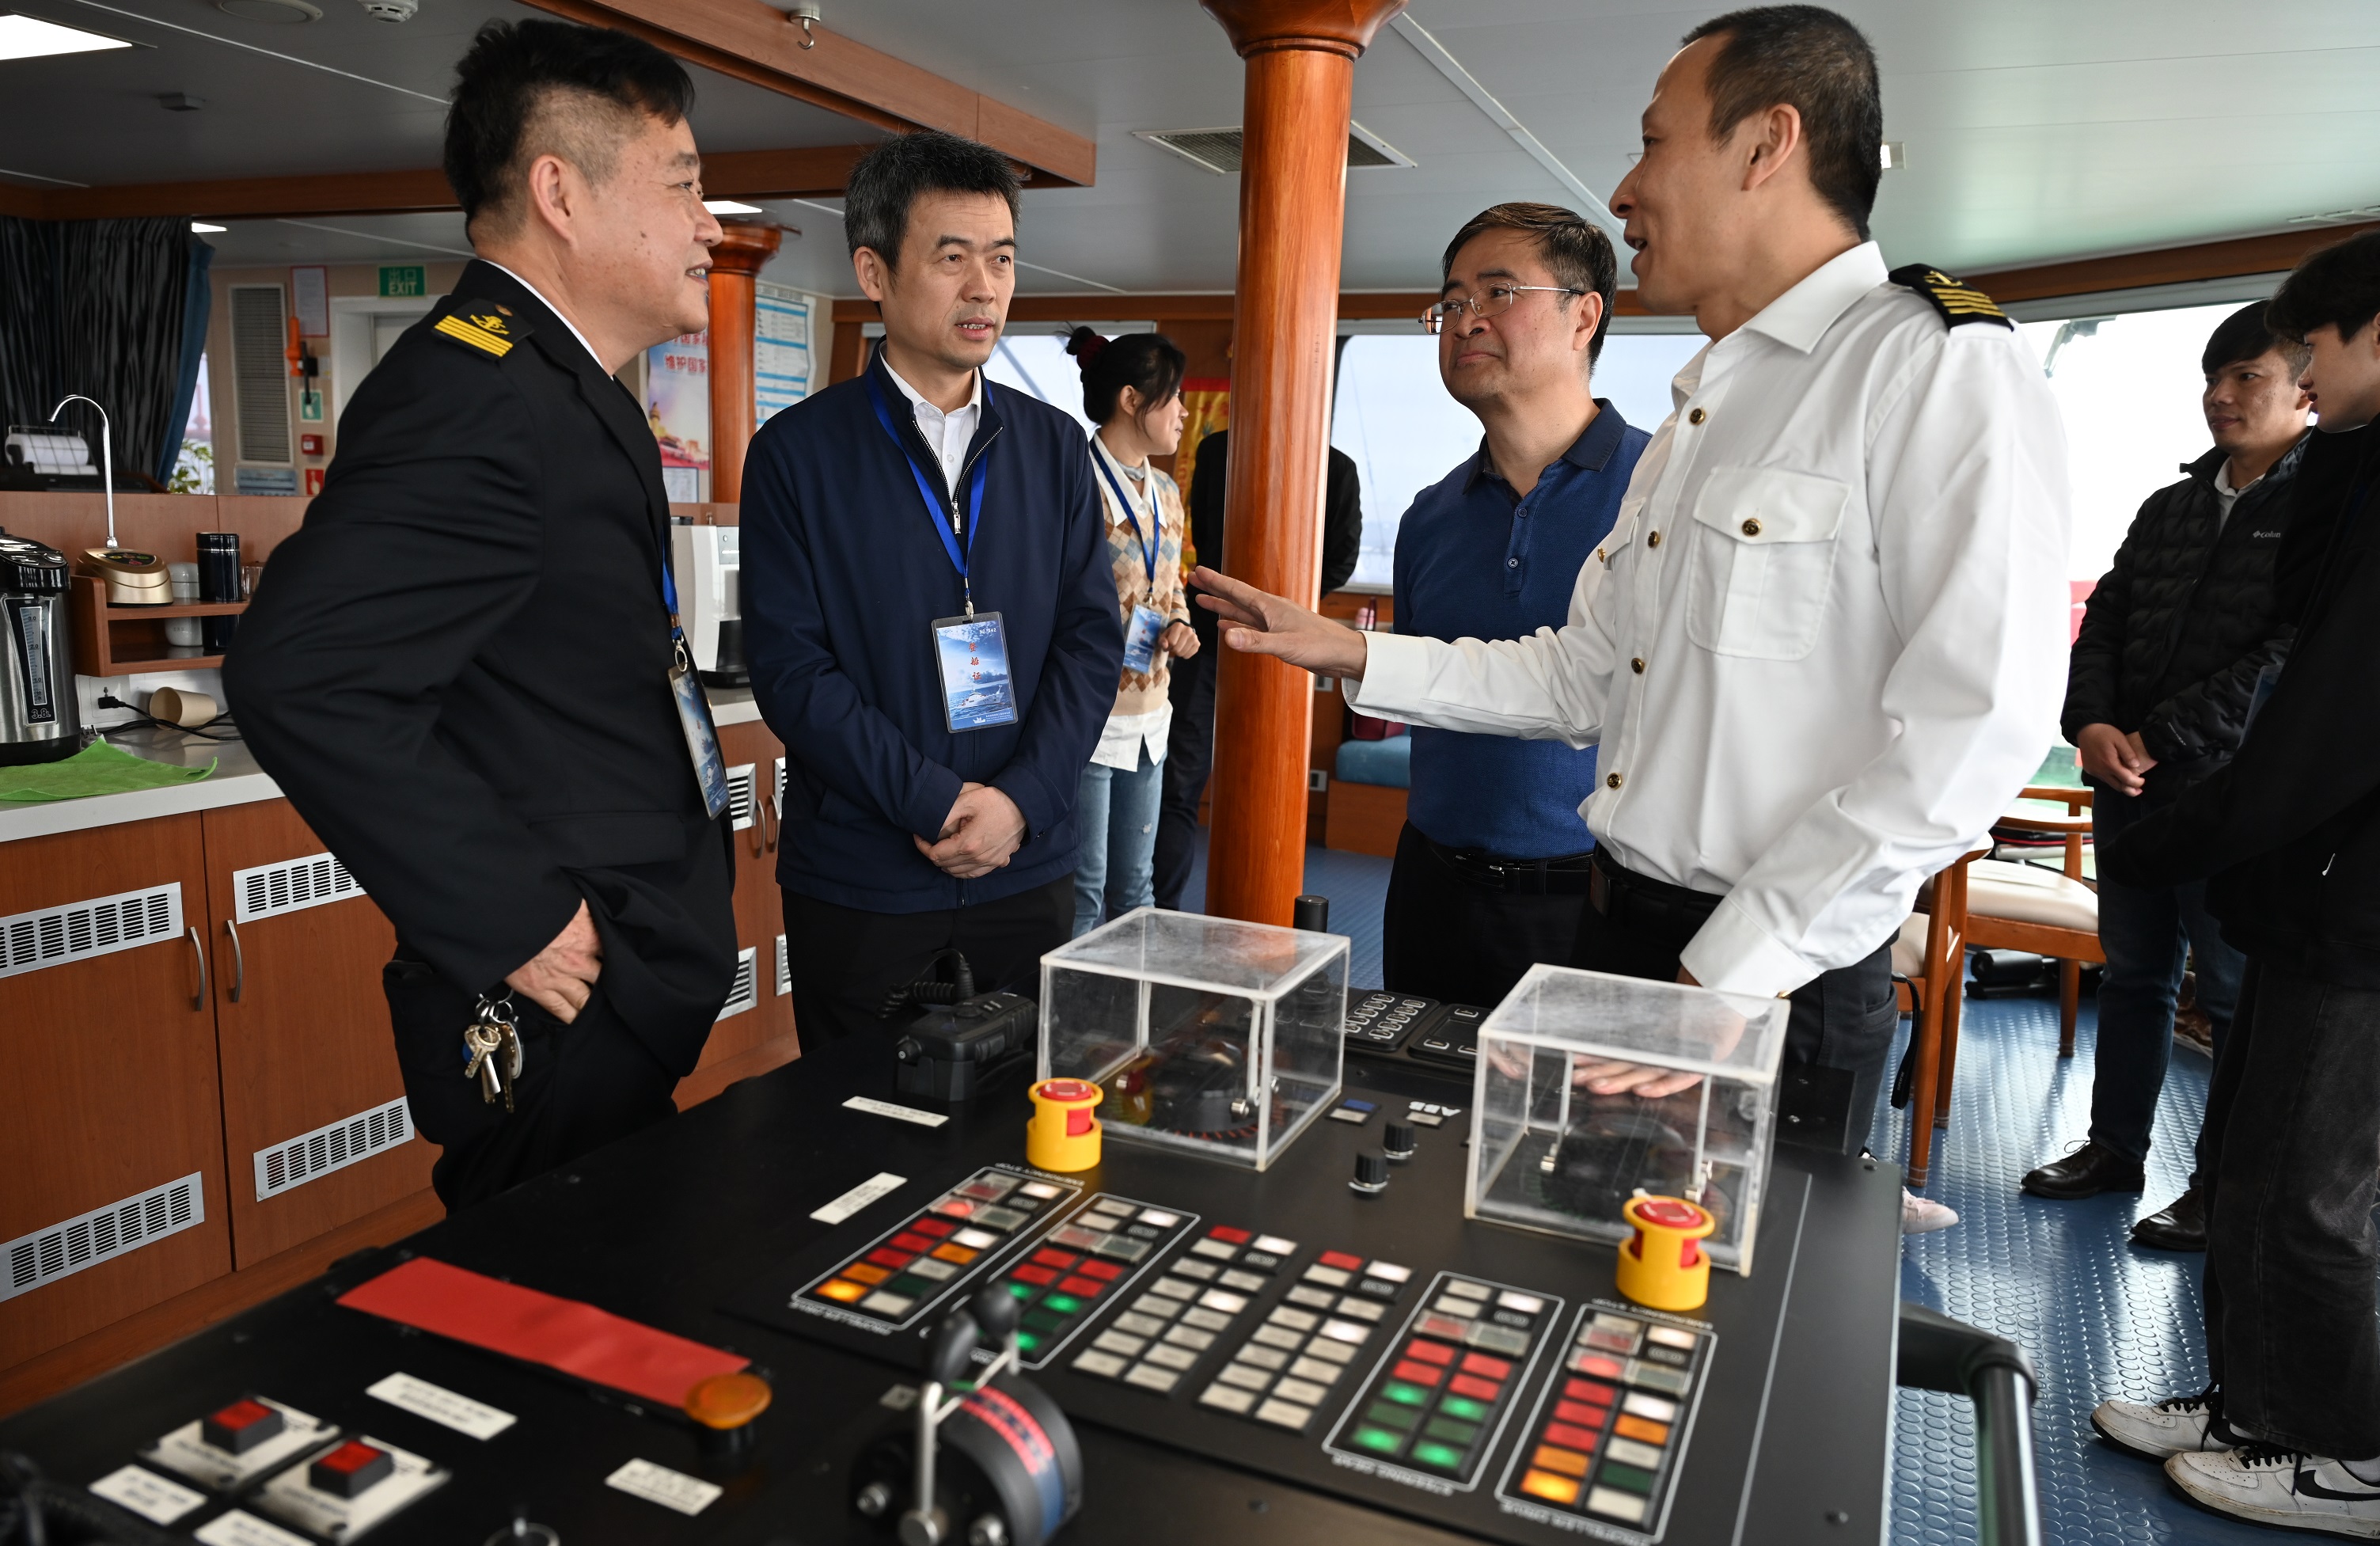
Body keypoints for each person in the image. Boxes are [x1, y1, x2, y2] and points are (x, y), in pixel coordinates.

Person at [1190, 4, 2070, 1236]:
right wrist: (1346, 649)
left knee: (1728, 1321)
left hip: (1763, 972)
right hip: (1619, 941)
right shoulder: (1706, 410)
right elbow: (1581, 675)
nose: (1622, 191)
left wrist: (1726, 972)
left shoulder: (1931, 365)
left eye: (1652, 143)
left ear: (1765, 145)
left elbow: (1975, 724)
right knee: (1575, 1280)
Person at [225, 21, 738, 1210]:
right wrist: (520, 919)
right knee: (549, 1295)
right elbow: (297, 674)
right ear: (560, 192)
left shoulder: (558, 383)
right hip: (556, 985)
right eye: (682, 184)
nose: (710, 225)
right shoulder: (477, 392)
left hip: (620, 961)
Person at [2090, 230, 2380, 1534]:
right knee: (2252, 1165)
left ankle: (2344, 1450)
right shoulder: (2344, 477)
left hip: (2353, 905)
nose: (2300, 376)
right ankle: (2255, 1406)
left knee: (2314, 1191)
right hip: (2297, 886)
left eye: (2311, 346)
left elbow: (2318, 716)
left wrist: (2174, 833)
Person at [740, 131, 1122, 1046]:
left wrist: (1019, 804)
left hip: (1026, 863)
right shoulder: (796, 453)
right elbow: (792, 670)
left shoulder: (1053, 447)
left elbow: (1088, 642)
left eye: (1001, 259)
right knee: (854, 1116)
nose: (984, 288)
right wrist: (934, 804)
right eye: (953, 259)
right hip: (866, 875)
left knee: (1021, 1106)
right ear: (873, 271)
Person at [2021, 302, 2310, 1251]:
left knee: (2228, 998)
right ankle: (2114, 1150)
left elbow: (2286, 658)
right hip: (2128, 785)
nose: (2220, 396)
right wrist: (2091, 725)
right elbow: (2105, 620)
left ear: (2304, 389)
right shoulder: (2169, 507)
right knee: (2135, 977)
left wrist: (2159, 737)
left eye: (2245, 378)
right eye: (2212, 379)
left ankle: (2220, 1188)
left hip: (2230, 797)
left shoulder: (2323, 510)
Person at [1378, 203, 1650, 1007]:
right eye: (1451, 302)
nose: (1465, 320)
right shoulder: (1429, 516)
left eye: (1498, 293)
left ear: (1583, 317)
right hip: (1429, 886)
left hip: (1596, 900)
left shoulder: (1659, 495)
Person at [1151, 430, 1361, 912]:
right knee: (1180, 780)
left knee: (1269, 784)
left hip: (1286, 649)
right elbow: (1206, 538)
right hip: (1208, 637)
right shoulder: (1216, 450)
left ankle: (1262, 902)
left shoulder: (1337, 468)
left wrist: (1285, 608)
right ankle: (1162, 908)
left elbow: (1342, 558)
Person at [1065, 329, 1199, 935]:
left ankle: (1127, 997)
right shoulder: (1075, 482)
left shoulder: (1167, 493)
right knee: (1084, 888)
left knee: (1136, 886)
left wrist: (1180, 622)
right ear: (1130, 399)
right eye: (1174, 397)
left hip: (1150, 709)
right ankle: (1067, 997)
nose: (1183, 412)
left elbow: (1171, 586)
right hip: (1088, 711)